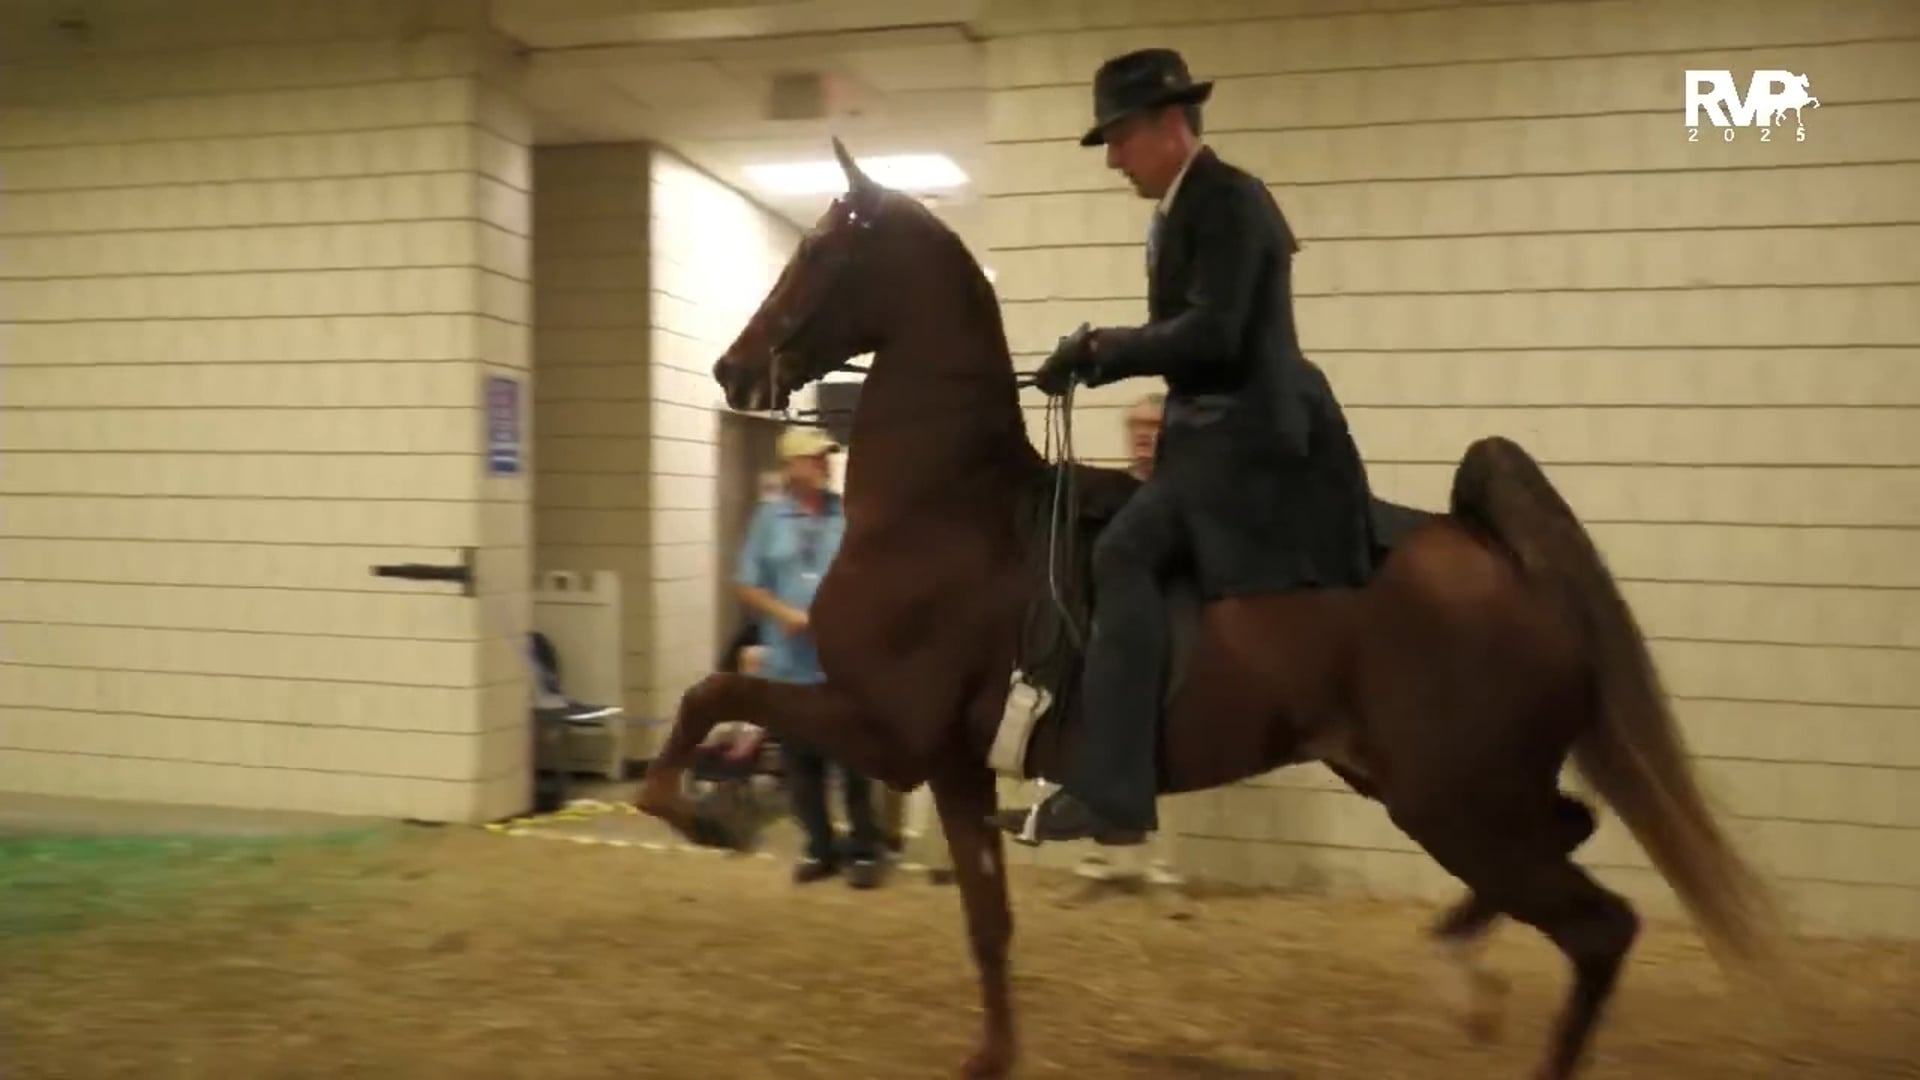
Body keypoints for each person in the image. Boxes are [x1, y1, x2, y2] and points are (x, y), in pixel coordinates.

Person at [1001, 47, 1378, 846]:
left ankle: (1113, 791)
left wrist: (1104, 349)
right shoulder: (1181, 210)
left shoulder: (1231, 200)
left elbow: (1214, 334)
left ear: (1170, 122)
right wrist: (1093, 358)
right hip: (1210, 432)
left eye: (1120, 137)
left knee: (1123, 553)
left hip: (1246, 439)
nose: (1113, 159)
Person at [735, 425, 887, 888]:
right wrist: (784, 614)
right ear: (790, 467)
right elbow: (747, 583)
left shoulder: (848, 514)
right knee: (802, 767)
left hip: (843, 665)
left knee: (854, 762)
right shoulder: (767, 519)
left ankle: (865, 850)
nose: (823, 464)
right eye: (814, 457)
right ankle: (820, 847)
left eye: (825, 457)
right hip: (789, 664)